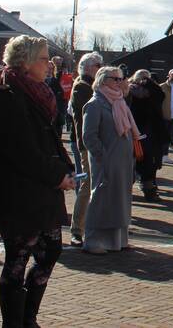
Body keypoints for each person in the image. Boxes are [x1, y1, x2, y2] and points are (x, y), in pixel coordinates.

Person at [0, 35, 75, 328]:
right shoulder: (9, 95)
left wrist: (66, 166)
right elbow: (20, 150)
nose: (49, 64)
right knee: (18, 258)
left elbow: (49, 136)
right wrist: (57, 175)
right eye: (43, 58)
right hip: (19, 193)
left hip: (43, 190)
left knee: (50, 250)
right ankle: (14, 322)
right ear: (25, 62)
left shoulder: (39, 92)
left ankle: (28, 317)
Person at [82, 66, 141, 254]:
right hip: (106, 161)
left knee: (120, 198)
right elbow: (89, 136)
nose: (119, 82)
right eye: (114, 78)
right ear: (102, 80)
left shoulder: (120, 102)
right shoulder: (95, 104)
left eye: (120, 78)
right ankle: (93, 240)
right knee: (101, 198)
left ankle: (118, 240)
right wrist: (102, 155)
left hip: (122, 161)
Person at [68, 52, 101, 247]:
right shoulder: (82, 86)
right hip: (86, 144)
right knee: (86, 186)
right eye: (98, 65)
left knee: (96, 185)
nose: (100, 68)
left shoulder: (91, 86)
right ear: (89, 67)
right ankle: (77, 230)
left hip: (97, 143)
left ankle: (92, 226)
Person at [129, 69, 166, 202]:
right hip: (138, 131)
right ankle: (148, 191)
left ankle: (148, 190)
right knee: (142, 163)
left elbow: (160, 96)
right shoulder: (132, 91)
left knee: (145, 163)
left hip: (144, 130)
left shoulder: (150, 92)